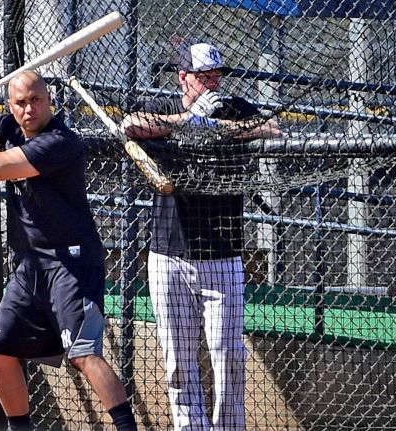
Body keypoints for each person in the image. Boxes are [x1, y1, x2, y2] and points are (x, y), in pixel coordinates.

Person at [0, 71, 138, 431]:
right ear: (11, 106)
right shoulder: (14, 127)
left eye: (36, 100)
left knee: (83, 354)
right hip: (31, 264)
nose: (29, 109)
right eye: (21, 102)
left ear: (49, 101)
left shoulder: (60, 142)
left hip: (72, 261)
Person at [120, 41, 282, 431]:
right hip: (168, 255)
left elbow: (272, 128)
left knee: (229, 355)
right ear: (183, 78)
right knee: (177, 360)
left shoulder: (235, 109)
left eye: (215, 76)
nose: (211, 84)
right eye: (202, 76)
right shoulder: (164, 109)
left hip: (222, 255)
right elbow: (130, 124)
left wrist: (214, 124)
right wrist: (188, 119)